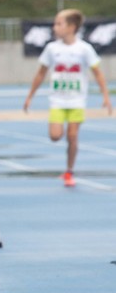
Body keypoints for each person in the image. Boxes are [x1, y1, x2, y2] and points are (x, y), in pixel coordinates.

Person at [23, 9, 112, 187]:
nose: (55, 27)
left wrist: (106, 96)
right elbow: (41, 73)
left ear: (71, 27)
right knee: (55, 136)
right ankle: (66, 161)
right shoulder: (52, 49)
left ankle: (69, 171)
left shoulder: (84, 49)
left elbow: (98, 73)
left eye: (59, 24)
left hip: (77, 100)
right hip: (57, 100)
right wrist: (30, 96)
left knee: (72, 135)